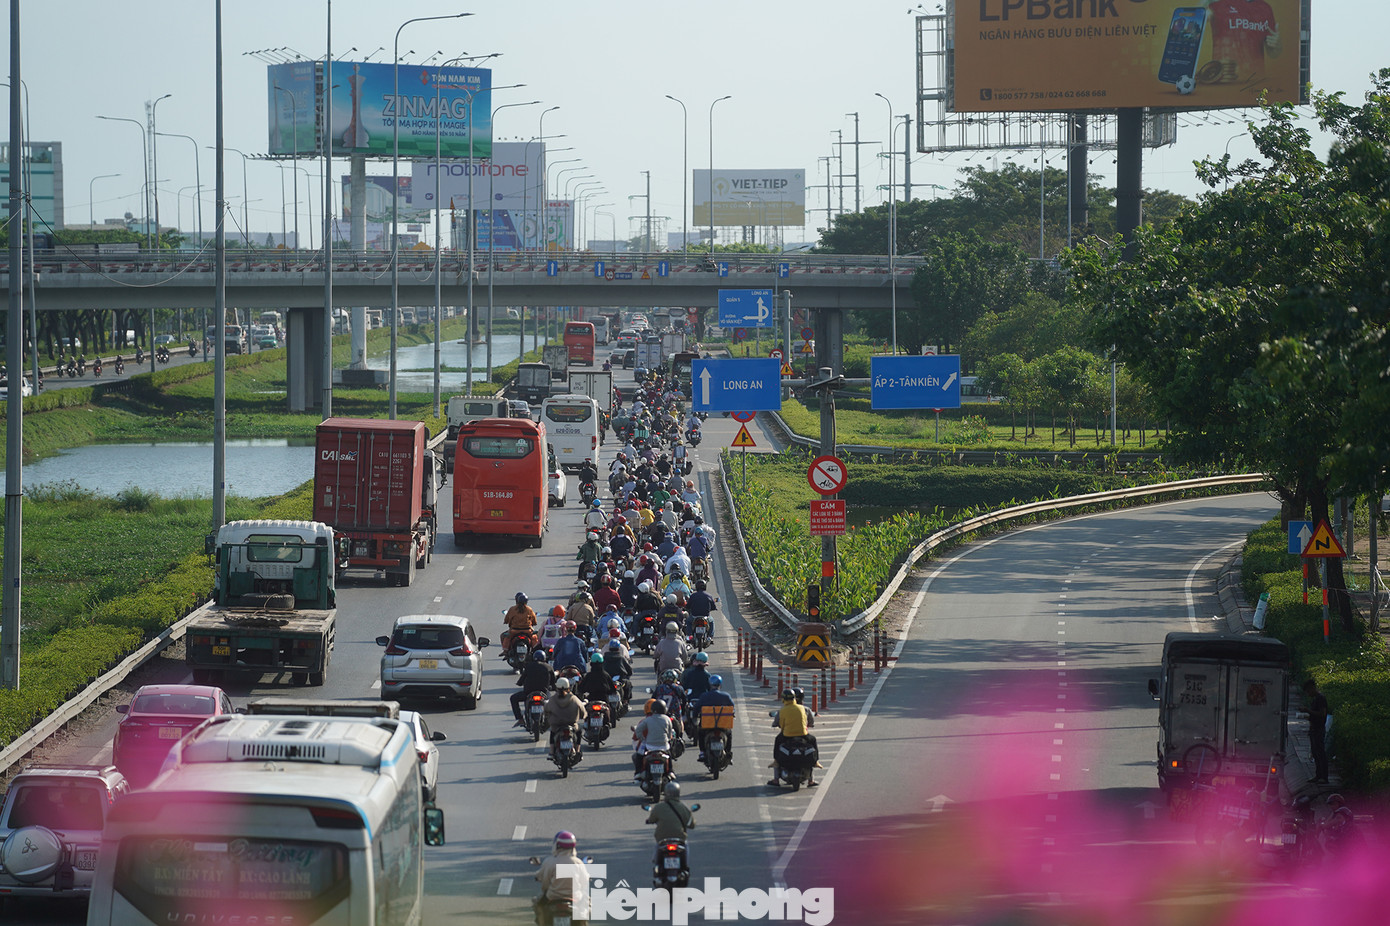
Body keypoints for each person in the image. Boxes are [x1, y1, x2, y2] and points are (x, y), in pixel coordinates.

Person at [534, 830, 589, 924]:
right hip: (575, 898)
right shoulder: (578, 862)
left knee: (537, 905)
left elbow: (545, 882)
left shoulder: (550, 862)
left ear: (556, 845)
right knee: (586, 906)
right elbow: (584, 882)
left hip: (552, 897)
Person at [771, 688, 818, 787]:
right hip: (803, 735)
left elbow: (781, 724)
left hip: (787, 735)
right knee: (813, 741)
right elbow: (810, 722)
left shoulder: (782, 710)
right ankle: (814, 769)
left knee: (777, 742)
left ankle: (776, 777)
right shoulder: (803, 708)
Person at [645, 780, 696, 864]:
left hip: (662, 837)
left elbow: (651, 819)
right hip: (679, 837)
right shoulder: (683, 807)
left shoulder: (659, 807)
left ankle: (655, 860)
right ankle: (685, 865)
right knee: (685, 846)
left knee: (657, 845)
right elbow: (691, 824)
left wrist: (649, 821)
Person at [694, 675, 736, 762]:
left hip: (707, 724)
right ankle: (728, 752)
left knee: (700, 733)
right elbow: (732, 708)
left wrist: (695, 716)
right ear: (720, 685)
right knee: (729, 734)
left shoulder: (704, 696)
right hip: (722, 724)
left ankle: (702, 752)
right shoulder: (726, 696)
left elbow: (696, 707)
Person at [544, 676, 586, 762]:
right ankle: (577, 751)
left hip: (557, 726)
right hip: (572, 725)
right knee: (579, 732)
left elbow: (546, 710)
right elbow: (582, 710)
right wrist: (583, 716)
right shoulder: (574, 698)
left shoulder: (552, 699)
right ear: (568, 687)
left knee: (552, 732)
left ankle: (551, 752)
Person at [631, 697, 676, 775]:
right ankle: (670, 771)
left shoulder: (648, 720)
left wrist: (642, 739)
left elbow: (638, 730)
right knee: (669, 755)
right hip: (664, 746)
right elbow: (669, 733)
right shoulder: (667, 719)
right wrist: (667, 739)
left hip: (650, 746)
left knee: (639, 755)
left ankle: (638, 773)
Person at [512, 650, 556, 726]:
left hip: (528, 693)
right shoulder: (549, 667)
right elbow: (553, 682)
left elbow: (521, 679)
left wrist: (519, 683)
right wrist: (553, 687)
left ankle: (520, 719)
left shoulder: (529, 666)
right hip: (544, 692)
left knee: (513, 698)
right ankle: (550, 720)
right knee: (553, 703)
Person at [577, 653, 617, 724]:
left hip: (591, 698)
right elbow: (612, 689)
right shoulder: (606, 675)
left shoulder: (589, 676)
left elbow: (581, 689)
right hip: (604, 698)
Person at [1303, 678, 1329, 783]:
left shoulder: (1321, 698)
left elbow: (1322, 714)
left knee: (1320, 752)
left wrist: (1308, 711)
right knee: (1315, 752)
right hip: (1313, 728)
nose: (1308, 694)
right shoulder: (1314, 699)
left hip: (1319, 729)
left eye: (1308, 691)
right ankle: (1318, 775)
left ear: (1312, 688)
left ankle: (1324, 777)